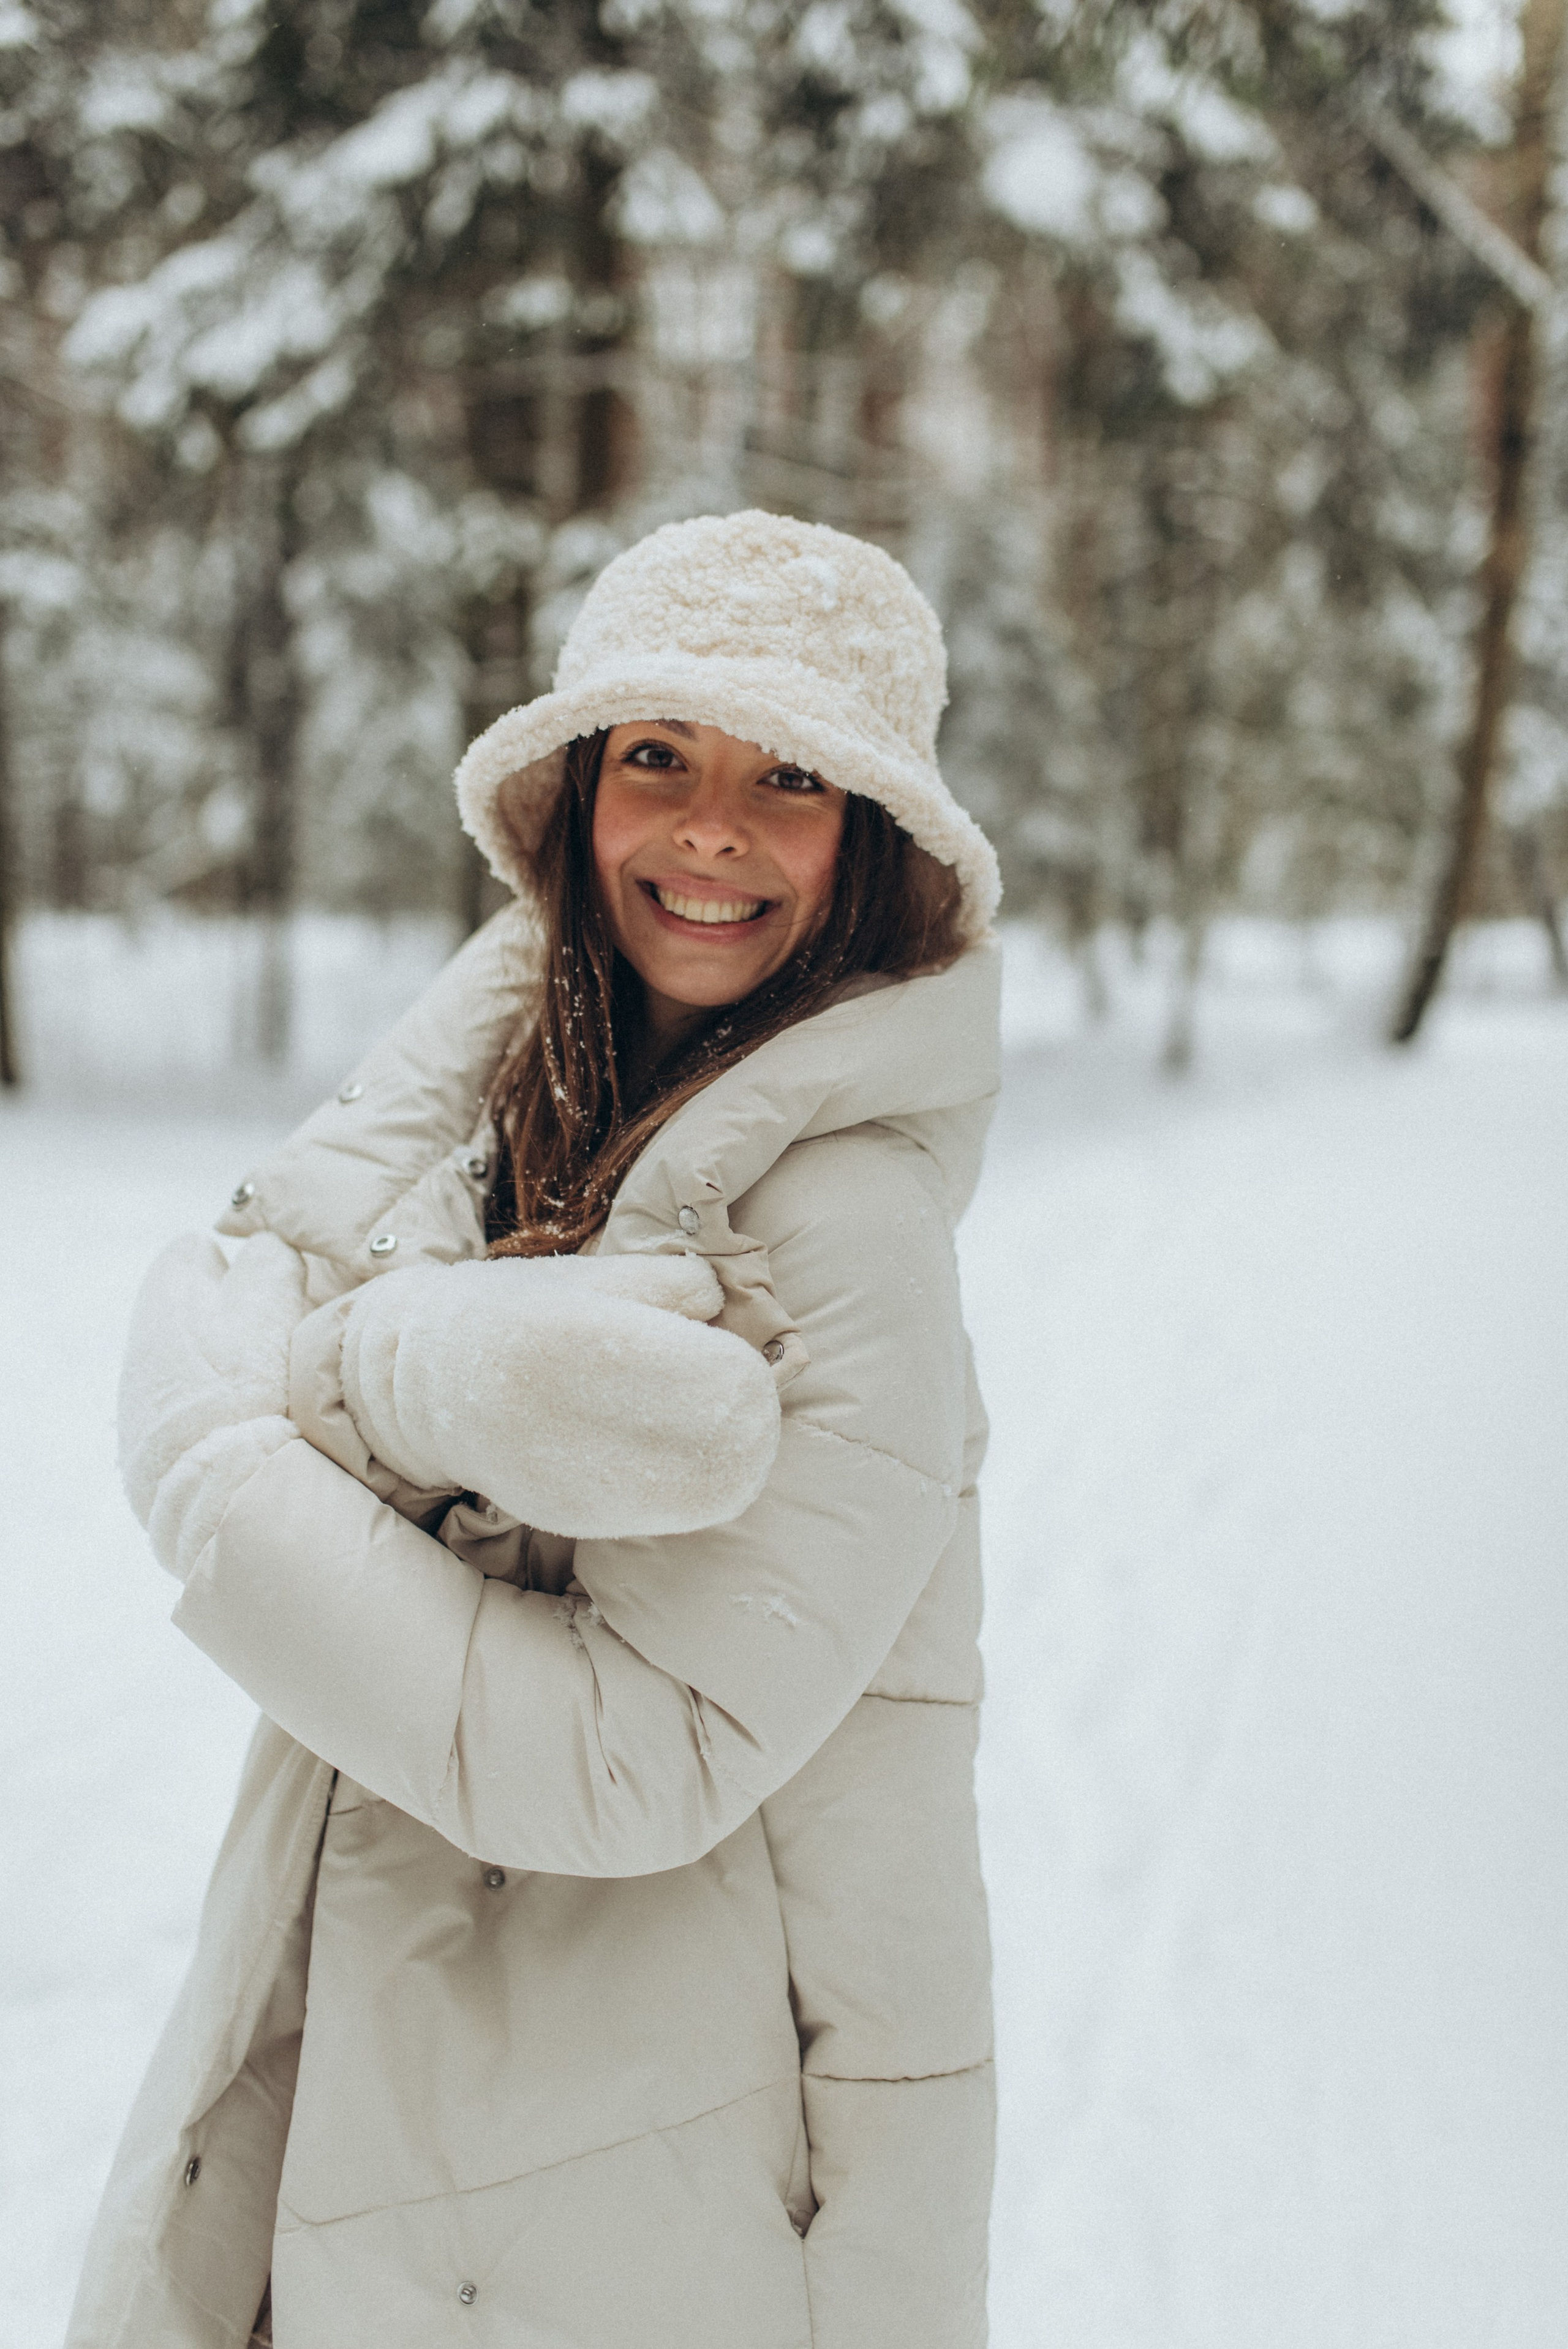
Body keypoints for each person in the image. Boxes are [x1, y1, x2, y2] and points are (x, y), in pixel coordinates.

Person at [70, 510, 1003, 2349]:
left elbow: (632, 1757)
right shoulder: (515, 1107)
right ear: (579, 793)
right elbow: (270, 1273)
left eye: (789, 777)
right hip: (381, 2071)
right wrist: (392, 1369)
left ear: (874, 842)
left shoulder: (845, 1239)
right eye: (657, 755)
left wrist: (220, 1464)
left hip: (654, 2185)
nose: (710, 825)